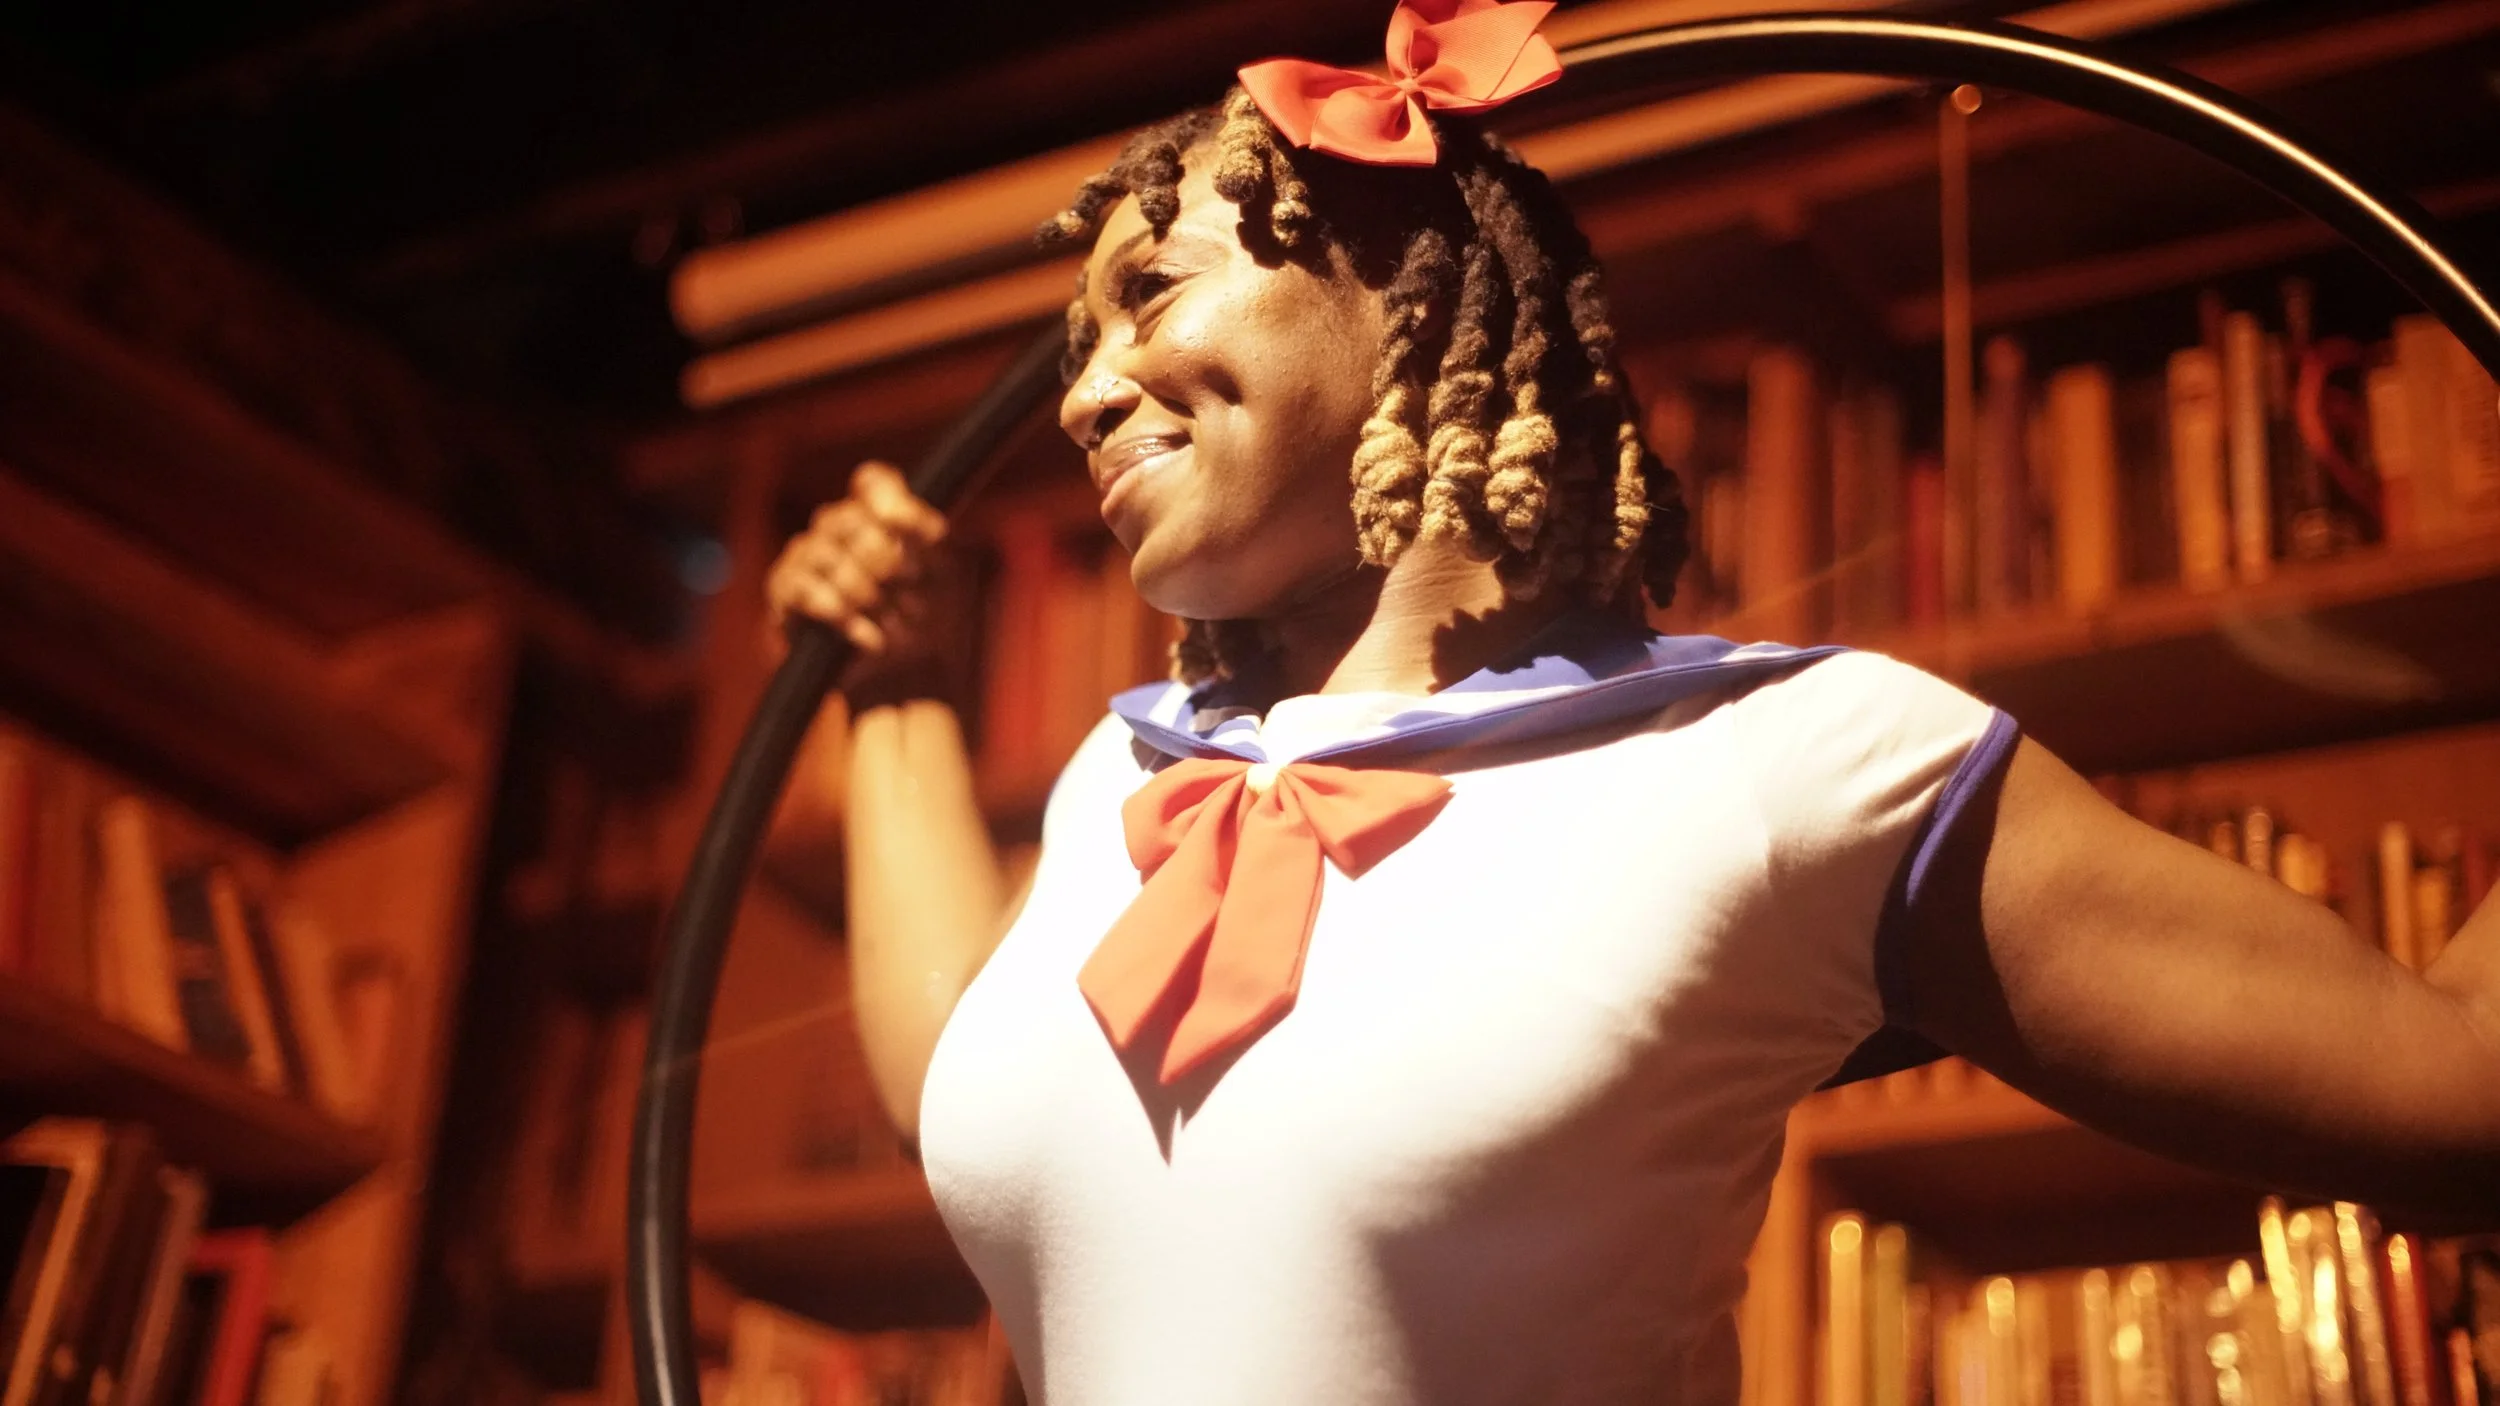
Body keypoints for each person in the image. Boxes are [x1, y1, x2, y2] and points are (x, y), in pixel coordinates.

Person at [763, 4, 2500, 1401]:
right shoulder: (1122, 781)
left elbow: (2463, 1089)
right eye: (1076, 349)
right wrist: (897, 696)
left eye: (1147, 292)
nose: (1085, 396)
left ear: (1393, 274)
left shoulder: (1791, 768)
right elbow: (959, 1089)